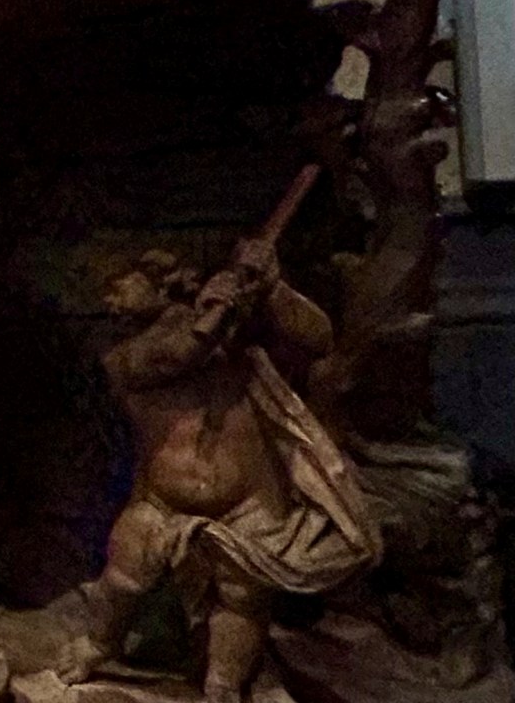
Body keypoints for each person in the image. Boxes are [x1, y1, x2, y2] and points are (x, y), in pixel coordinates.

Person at [60, 244, 374, 701]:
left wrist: (271, 289)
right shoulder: (123, 357)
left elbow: (318, 339)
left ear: (164, 282)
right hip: (162, 501)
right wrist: (217, 307)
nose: (107, 298)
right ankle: (97, 645)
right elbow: (178, 355)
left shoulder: (239, 341)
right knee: (124, 580)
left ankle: (222, 685)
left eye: (118, 283)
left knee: (241, 597)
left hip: (249, 502)